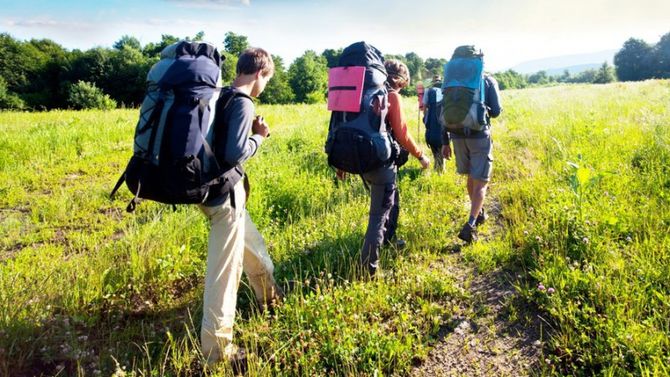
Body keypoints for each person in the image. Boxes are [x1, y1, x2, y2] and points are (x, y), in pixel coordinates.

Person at [199, 47, 283, 368]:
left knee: (254, 247)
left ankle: (270, 299)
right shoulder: (244, 102)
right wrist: (259, 137)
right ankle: (217, 353)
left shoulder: (218, 94)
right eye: (267, 80)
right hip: (225, 197)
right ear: (260, 73)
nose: (264, 88)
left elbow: (219, 144)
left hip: (211, 192)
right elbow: (234, 153)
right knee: (225, 274)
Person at [339, 59, 430, 276]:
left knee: (391, 200)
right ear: (399, 80)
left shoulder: (360, 92)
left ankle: (388, 240)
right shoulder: (391, 95)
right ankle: (367, 268)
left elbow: (341, 125)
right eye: (403, 83)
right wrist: (421, 156)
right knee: (378, 215)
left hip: (357, 159)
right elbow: (402, 134)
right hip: (381, 163)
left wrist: (340, 163)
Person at [442, 56, 502, 243]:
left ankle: (479, 211)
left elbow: (444, 109)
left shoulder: (450, 81)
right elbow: (496, 111)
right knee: (481, 182)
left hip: (456, 135)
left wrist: (445, 142)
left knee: (470, 175)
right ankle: (471, 223)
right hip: (478, 135)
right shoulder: (487, 79)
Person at [422, 75, 445, 172]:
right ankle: (441, 166)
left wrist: (425, 117)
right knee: (442, 140)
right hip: (442, 119)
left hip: (432, 118)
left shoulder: (428, 90)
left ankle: (438, 164)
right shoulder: (445, 89)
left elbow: (424, 106)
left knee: (432, 139)